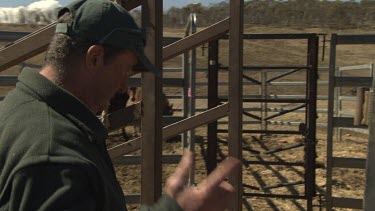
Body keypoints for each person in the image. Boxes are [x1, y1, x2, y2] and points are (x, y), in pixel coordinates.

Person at [0, 0, 241, 210]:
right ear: (95, 58)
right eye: (125, 70)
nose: (125, 85)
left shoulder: (17, 105)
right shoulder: (55, 159)